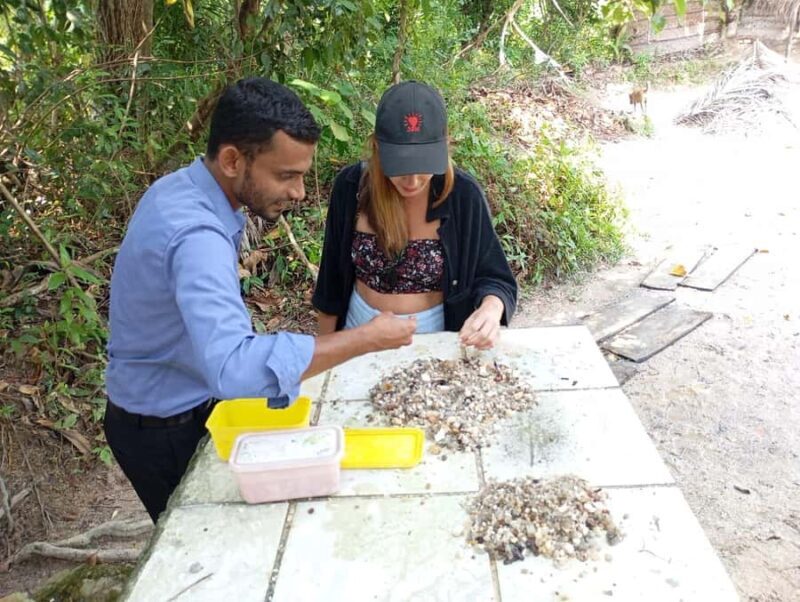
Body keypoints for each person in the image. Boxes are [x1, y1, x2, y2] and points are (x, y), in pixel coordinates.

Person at [104, 77, 416, 523]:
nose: (299, 192)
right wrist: (364, 339)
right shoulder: (196, 235)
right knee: (206, 540)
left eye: (301, 175)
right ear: (233, 160)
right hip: (163, 428)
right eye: (286, 175)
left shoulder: (179, 189)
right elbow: (233, 367)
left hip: (185, 402)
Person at [313, 81, 517, 348]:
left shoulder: (463, 196)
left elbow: (496, 277)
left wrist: (491, 309)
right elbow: (330, 284)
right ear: (377, 147)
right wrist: (324, 354)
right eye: (400, 165)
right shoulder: (351, 187)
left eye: (423, 165)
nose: (412, 181)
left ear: (444, 146)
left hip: (433, 337)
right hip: (357, 330)